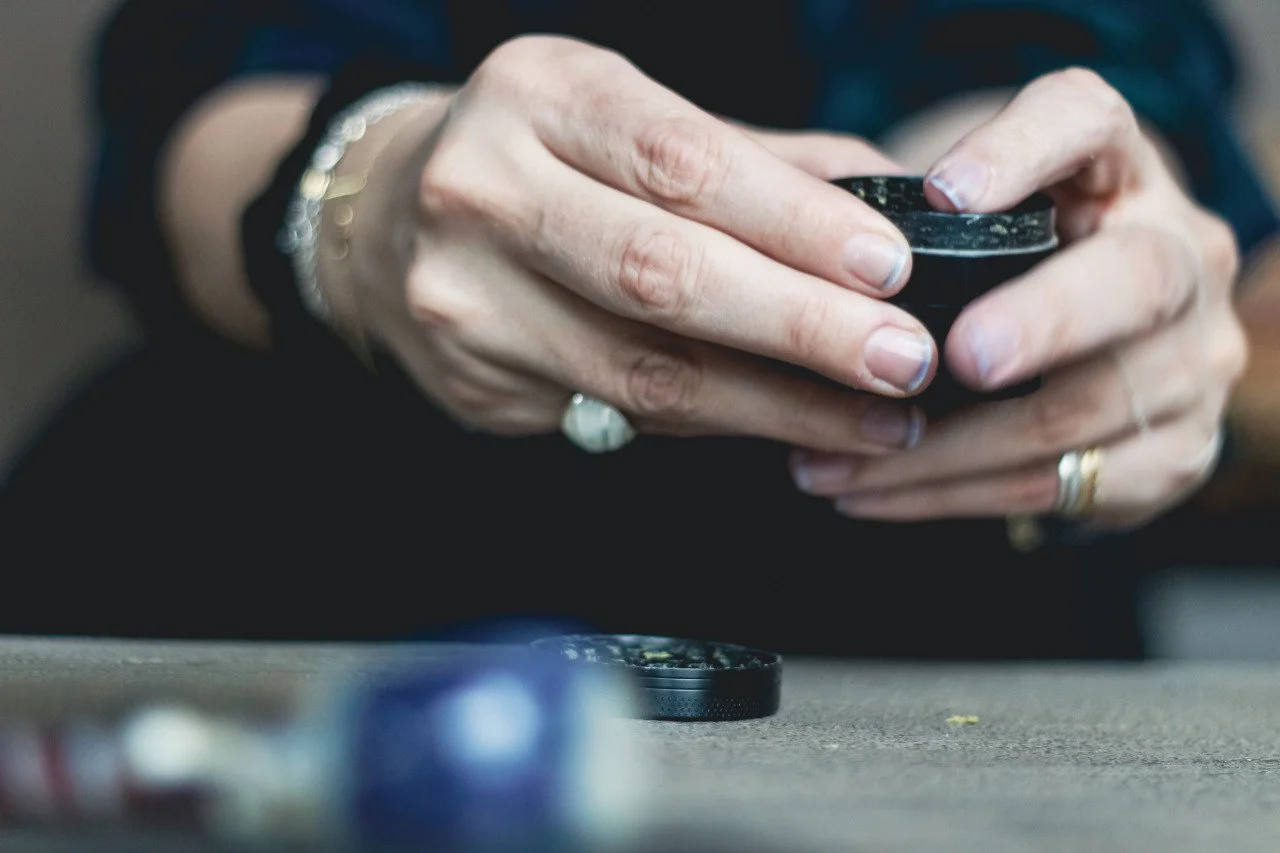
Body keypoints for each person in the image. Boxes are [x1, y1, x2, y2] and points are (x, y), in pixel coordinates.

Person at [0, 0, 1274, 656]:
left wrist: (1058, 211)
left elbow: (1084, 45)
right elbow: (198, 90)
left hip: (963, 626)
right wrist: (370, 193)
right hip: (278, 571)